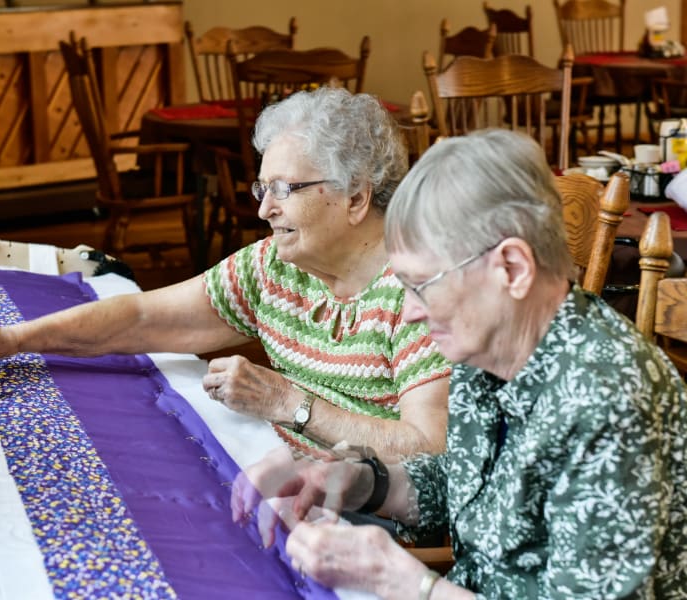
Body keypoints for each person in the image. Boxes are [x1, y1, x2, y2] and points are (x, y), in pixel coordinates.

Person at [231, 129, 687, 599]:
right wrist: (361, 481)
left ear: (512, 268)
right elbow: (469, 483)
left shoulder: (609, 396)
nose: (409, 310)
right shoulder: (489, 347)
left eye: (423, 284)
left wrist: (407, 583)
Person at [0, 87, 450, 458]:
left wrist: (290, 403)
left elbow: (431, 447)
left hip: (362, 524)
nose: (265, 210)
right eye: (263, 190)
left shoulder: (423, 295)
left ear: (356, 196)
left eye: (286, 190)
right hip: (285, 480)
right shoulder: (275, 267)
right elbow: (145, 317)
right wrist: (12, 339)